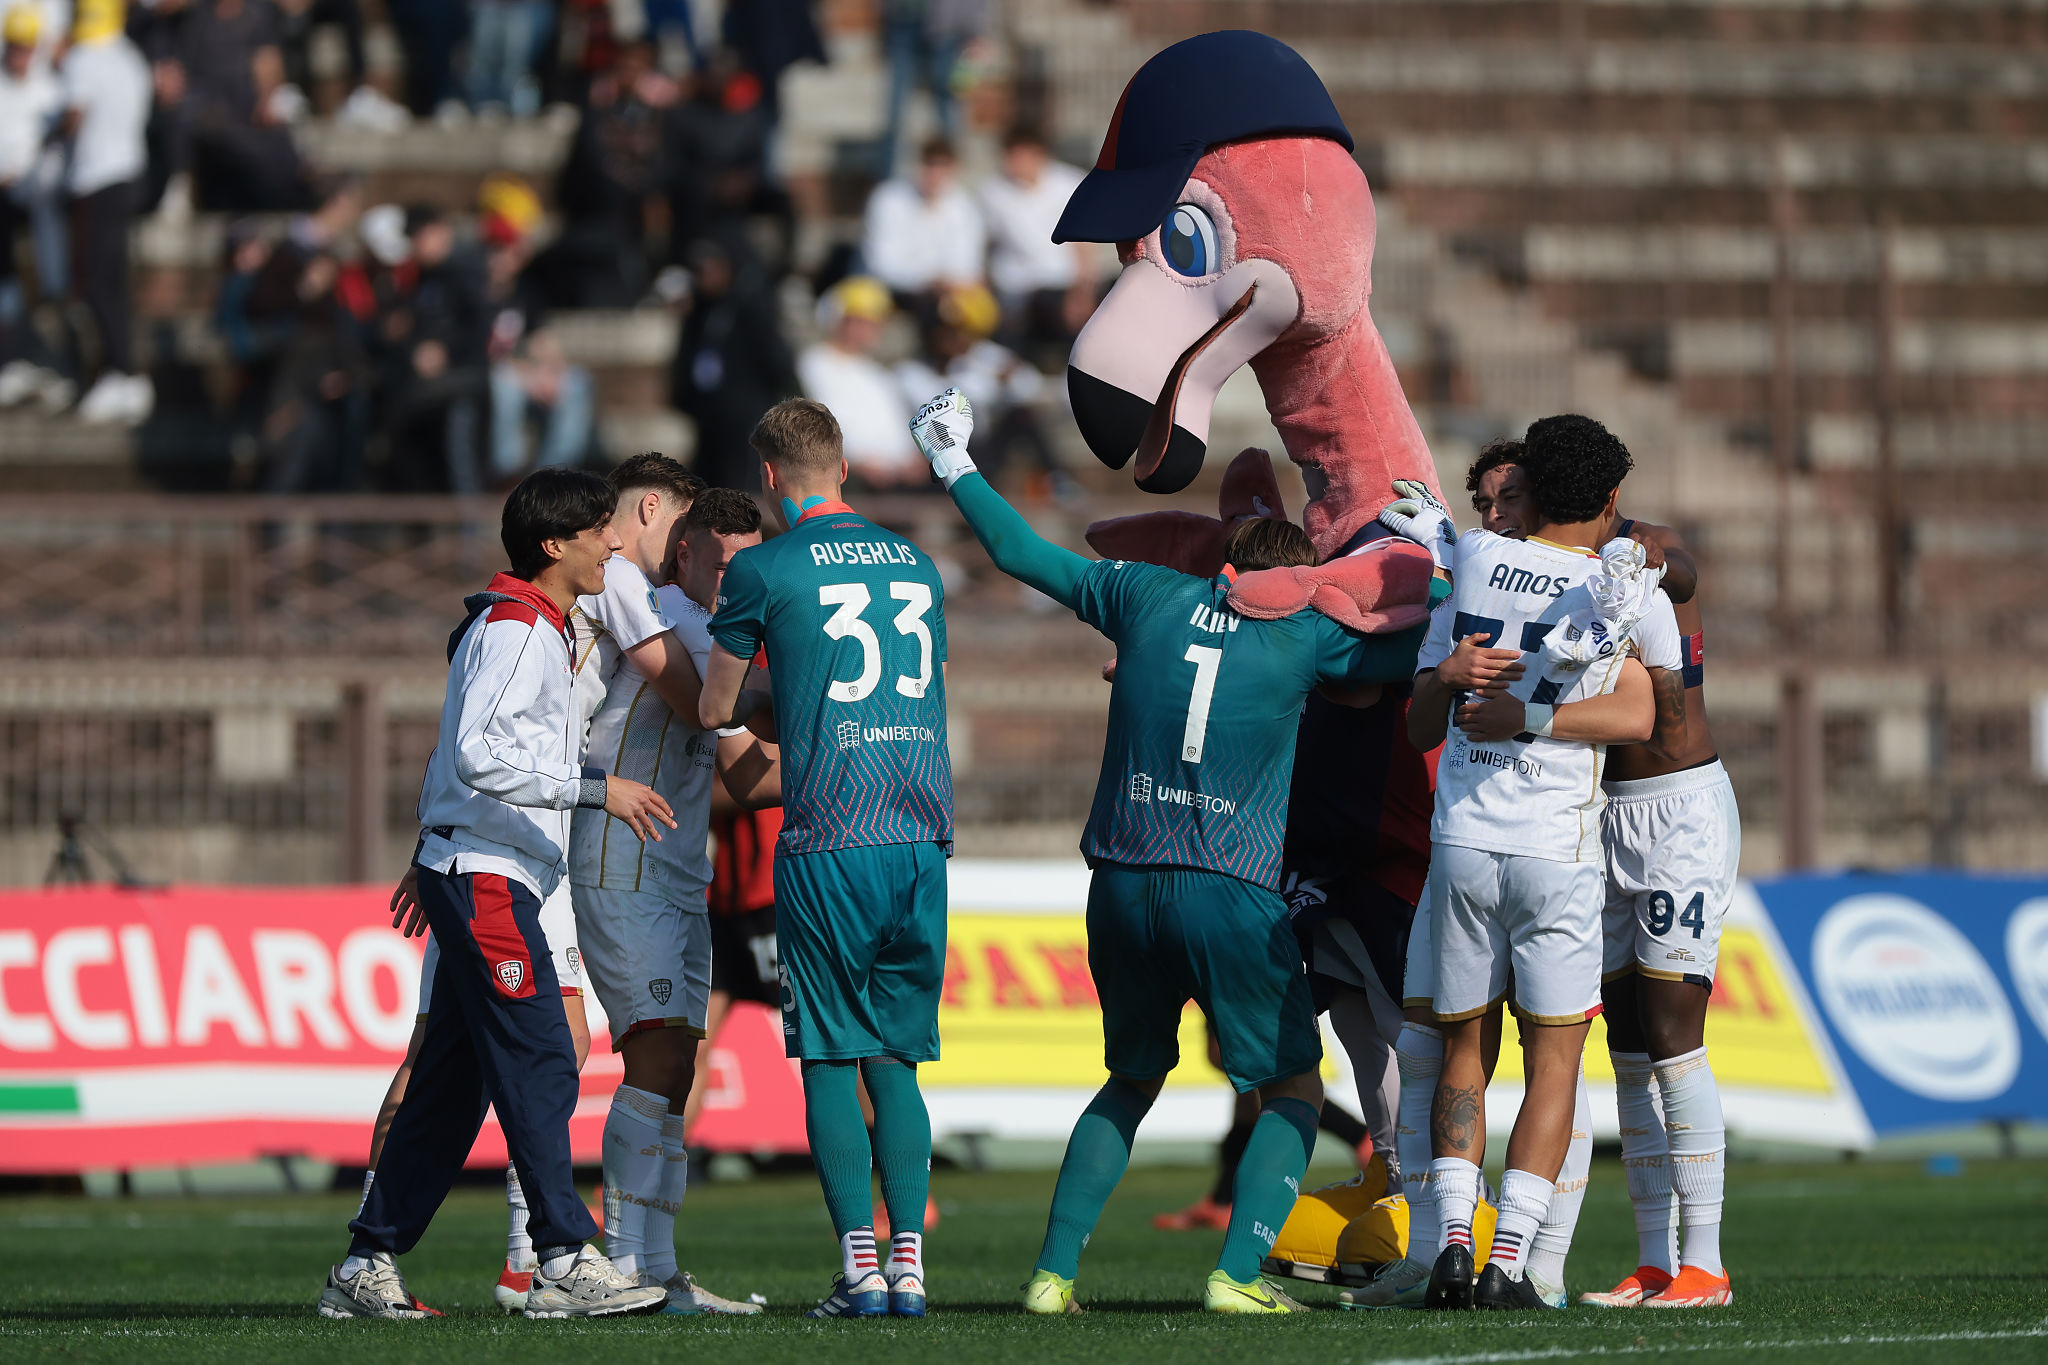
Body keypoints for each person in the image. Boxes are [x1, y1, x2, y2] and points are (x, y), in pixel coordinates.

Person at [907, 388, 1426, 1315]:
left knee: (1130, 1078)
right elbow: (1414, 650)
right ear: (1296, 578)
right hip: (1230, 888)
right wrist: (1450, 559)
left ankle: (1052, 1274)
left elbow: (1021, 554)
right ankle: (1235, 1277)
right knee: (1293, 1086)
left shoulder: (1143, 591)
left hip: (1120, 880)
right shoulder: (1305, 634)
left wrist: (954, 461)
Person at [319, 467, 675, 1321]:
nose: (615, 542)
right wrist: (598, 788)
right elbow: (480, 755)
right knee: (545, 1052)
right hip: (485, 878)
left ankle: (365, 1263)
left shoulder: (530, 624)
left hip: (481, 870)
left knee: (452, 1086)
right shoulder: (517, 629)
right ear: (556, 545)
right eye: (599, 529)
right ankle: (559, 1252)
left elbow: (461, 755)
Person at [1405, 415, 1681, 1312]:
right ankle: (1508, 1259)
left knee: (1462, 1049)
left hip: (1462, 841)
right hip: (1552, 846)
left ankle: (1452, 1240)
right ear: (1607, 499)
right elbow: (1646, 718)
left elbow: (1417, 711)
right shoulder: (1623, 589)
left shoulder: (1477, 557)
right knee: (1554, 1058)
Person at [698, 397, 953, 1320]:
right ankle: (912, 1265)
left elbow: (714, 705)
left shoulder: (763, 567)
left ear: (769, 478)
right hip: (922, 836)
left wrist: (750, 700)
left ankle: (860, 1269)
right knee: (897, 1061)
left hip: (830, 839)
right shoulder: (918, 563)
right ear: (842, 468)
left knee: (828, 1058)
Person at [568, 481, 772, 1317]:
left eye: (747, 566)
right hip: (626, 863)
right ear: (682, 550)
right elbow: (737, 707)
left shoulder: (708, 624)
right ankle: (626, 1262)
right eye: (721, 561)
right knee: (653, 1054)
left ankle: (658, 1265)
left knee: (677, 1062)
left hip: (682, 872)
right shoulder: (671, 615)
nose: (734, 578)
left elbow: (747, 777)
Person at [1578, 522, 1738, 1310]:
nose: (1502, 511)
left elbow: (1685, 570)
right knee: (1628, 1040)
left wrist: (1644, 557)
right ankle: (1651, 1261)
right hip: (1603, 816)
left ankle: (1705, 1264)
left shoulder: (1636, 543)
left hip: (1679, 813)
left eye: (1515, 493)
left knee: (1676, 1035)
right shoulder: (1535, 572)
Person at [60, 0, 154, 425]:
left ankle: (124, 372)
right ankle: (124, 373)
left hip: (98, 180)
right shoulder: (133, 58)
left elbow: (74, 117)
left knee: (97, 281)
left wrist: (48, 133)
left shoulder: (84, 57)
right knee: (110, 280)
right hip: (130, 175)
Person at [893, 282, 1057, 494]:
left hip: (983, 447)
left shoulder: (981, 357)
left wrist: (1008, 380)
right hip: (938, 456)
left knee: (1022, 416)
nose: (951, 339)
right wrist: (995, 383)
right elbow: (945, 407)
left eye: (957, 331)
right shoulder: (911, 372)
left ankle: (1055, 480)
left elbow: (1030, 386)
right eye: (944, 332)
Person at [977, 124, 1094, 360]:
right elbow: (986, 244)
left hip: (1058, 287)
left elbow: (1083, 243)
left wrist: (1082, 290)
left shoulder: (1068, 183)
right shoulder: (991, 192)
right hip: (1014, 290)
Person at [796, 277, 922, 489]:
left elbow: (896, 431)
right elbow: (819, 424)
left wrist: (910, 459)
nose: (873, 328)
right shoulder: (814, 364)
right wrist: (857, 461)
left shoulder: (879, 375)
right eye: (863, 319)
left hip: (892, 481)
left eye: (877, 320)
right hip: (846, 480)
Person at [860, 137, 984, 303]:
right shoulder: (888, 199)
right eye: (930, 164)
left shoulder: (964, 207)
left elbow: (967, 263)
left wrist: (948, 282)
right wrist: (927, 280)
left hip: (946, 294)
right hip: (895, 291)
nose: (935, 173)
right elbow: (882, 264)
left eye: (943, 166)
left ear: (954, 169)